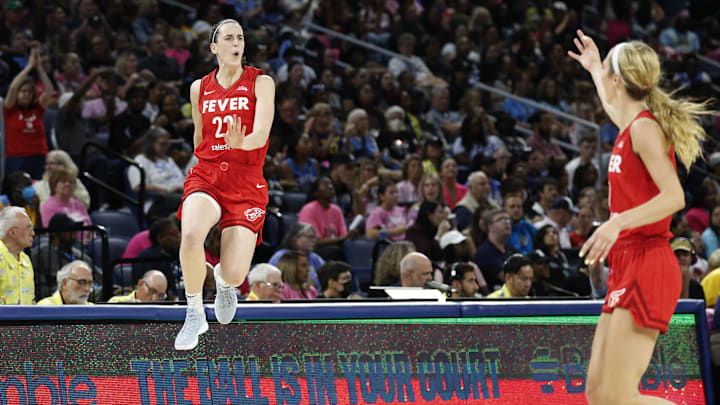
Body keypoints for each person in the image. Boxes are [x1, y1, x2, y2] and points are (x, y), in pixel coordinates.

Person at [569, 31, 713, 404]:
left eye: (609, 77)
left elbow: (674, 196)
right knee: (599, 396)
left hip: (648, 261)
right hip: (628, 262)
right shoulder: (629, 126)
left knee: (617, 396)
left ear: (621, 81)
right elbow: (611, 104)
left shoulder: (645, 130)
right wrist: (596, 68)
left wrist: (617, 222)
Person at [174, 19, 275, 350]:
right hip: (208, 173)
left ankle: (223, 282)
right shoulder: (198, 87)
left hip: (246, 179)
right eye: (228, 38)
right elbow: (199, 135)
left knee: (234, 272)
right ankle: (193, 312)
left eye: (241, 37)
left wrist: (241, 142)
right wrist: (211, 154)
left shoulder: (261, 83)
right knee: (190, 235)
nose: (236, 42)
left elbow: (261, 133)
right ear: (214, 48)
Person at [3, 47, 54, 179]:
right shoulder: (9, 109)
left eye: (30, 91)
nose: (26, 94)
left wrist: (39, 69)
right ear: (17, 93)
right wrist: (28, 67)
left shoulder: (38, 108)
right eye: (23, 91)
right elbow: (13, 86)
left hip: (38, 156)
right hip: (15, 159)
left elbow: (49, 91)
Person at [268, 222, 323, 289]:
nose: (314, 240)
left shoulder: (314, 258)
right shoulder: (281, 257)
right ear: (295, 239)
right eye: (310, 237)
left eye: (314, 237)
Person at [0, 207, 35, 305]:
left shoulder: (26, 260)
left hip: (24, 319)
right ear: (12, 232)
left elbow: (31, 300)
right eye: (29, 229)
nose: (33, 233)